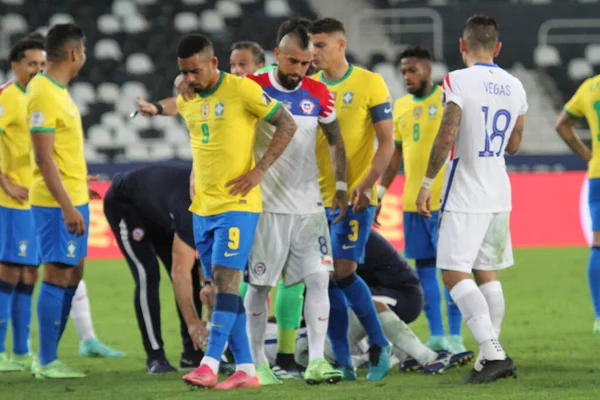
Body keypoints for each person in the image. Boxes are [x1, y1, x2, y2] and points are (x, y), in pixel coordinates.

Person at [169, 34, 296, 390]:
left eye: (194, 71)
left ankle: (209, 363)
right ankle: (246, 369)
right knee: (217, 292)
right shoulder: (187, 98)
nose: (189, 78)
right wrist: (179, 84)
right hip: (202, 208)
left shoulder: (241, 90)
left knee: (226, 282)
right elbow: (182, 100)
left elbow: (287, 123)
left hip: (237, 206)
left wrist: (260, 170)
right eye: (183, 72)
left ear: (213, 63)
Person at [415, 14, 526, 384]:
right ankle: (487, 356)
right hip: (499, 190)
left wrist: (427, 181)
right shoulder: (516, 86)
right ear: (497, 48)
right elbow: (513, 143)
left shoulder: (457, 80)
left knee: (452, 272)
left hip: (466, 190)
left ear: (462, 45)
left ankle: (493, 353)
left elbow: (447, 134)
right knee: (487, 273)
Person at [244, 24, 346, 386]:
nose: (298, 70)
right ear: (276, 53)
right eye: (292, 61)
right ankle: (258, 365)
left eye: (305, 63)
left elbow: (335, 140)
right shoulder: (252, 86)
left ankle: (316, 361)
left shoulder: (319, 93)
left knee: (319, 280)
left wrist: (342, 187)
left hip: (310, 207)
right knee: (259, 287)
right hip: (267, 208)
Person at [309, 17, 394, 381]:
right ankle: (343, 362)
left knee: (343, 271)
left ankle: (379, 344)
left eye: (321, 45)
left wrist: (367, 183)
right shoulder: (308, 86)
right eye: (312, 45)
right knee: (324, 279)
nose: (315, 52)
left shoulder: (369, 82)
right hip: (313, 198)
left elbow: (387, 142)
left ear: (341, 45)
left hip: (355, 196)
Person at [376, 45, 468, 355]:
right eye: (403, 71)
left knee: (451, 269)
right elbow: (394, 159)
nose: (406, 76)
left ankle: (456, 335)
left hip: (444, 200)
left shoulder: (447, 99)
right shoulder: (400, 106)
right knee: (425, 269)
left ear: (428, 70)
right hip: (413, 203)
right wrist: (380, 193)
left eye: (412, 70)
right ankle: (438, 335)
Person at [295, 229, 463, 374]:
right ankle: (402, 356)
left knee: (368, 303)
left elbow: (333, 280)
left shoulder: (342, 236)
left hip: (403, 295)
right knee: (304, 350)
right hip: (389, 290)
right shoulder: (343, 231)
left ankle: (429, 358)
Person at [26, 23, 92, 379]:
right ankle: (46, 359)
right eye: (83, 50)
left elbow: (62, 153)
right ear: (73, 54)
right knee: (57, 271)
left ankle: (51, 355)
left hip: (74, 194)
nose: (84, 56)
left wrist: (81, 186)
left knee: (74, 272)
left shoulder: (57, 89)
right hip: (55, 202)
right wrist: (66, 204)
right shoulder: (43, 93)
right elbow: (43, 157)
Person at [103, 166, 205, 373]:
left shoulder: (209, 209)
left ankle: (192, 354)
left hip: (161, 212)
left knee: (194, 277)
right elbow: (179, 272)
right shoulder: (190, 211)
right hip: (127, 205)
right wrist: (193, 321)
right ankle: (155, 356)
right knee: (147, 274)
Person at [0, 37, 46, 372]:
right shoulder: (6, 97)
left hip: (38, 200)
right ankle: (1, 351)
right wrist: (4, 181)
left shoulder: (45, 98)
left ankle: (20, 351)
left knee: (30, 272)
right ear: (16, 65)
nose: (38, 70)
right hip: (8, 200)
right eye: (32, 64)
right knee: (8, 271)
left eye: (43, 64)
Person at [555, 74, 600, 332]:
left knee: (598, 244)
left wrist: (587, 155)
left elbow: (562, 124)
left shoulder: (590, 86)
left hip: (598, 174)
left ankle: (599, 316)